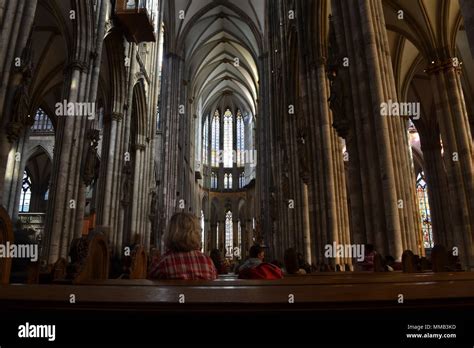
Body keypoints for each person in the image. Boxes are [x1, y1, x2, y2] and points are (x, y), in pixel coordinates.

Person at [148, 212, 217, 280]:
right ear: (196, 234)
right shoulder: (207, 262)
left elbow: (150, 283)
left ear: (170, 233)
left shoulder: (163, 263)